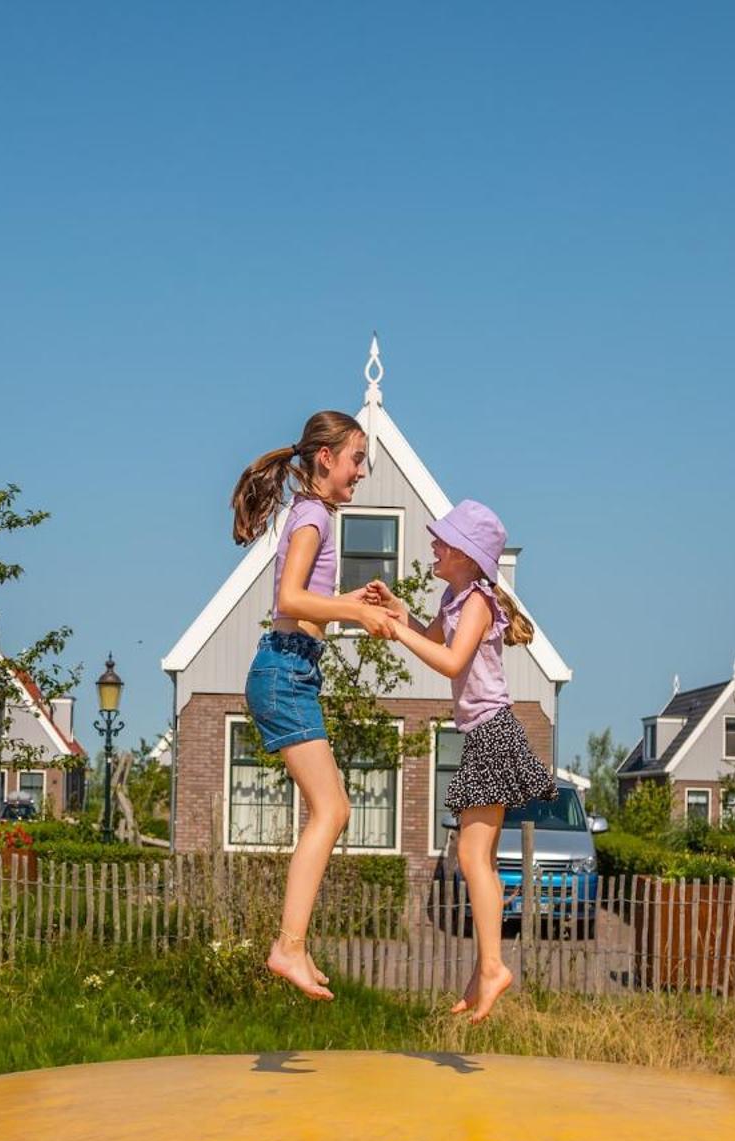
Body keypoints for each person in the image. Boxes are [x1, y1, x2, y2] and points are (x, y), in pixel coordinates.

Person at [366, 500, 551, 1022]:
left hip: (492, 733)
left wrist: (396, 632)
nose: (433, 545)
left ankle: (493, 967)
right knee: (481, 861)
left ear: (467, 556)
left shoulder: (477, 602)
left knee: (471, 859)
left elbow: (449, 660)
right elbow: (432, 638)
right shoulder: (454, 598)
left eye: (442, 541)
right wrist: (401, 613)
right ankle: (484, 970)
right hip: (483, 734)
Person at [232, 411, 396, 999]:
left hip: (293, 670)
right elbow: (290, 597)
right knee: (332, 811)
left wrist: (351, 598)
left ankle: (290, 946)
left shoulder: (314, 514)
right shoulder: (310, 517)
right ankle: (289, 947)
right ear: (326, 458)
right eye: (356, 459)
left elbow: (305, 603)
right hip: (284, 672)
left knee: (333, 810)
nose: (361, 472)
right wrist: (355, 612)